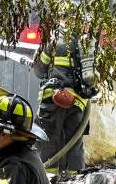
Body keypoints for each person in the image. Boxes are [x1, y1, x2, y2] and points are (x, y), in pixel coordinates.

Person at [32, 38, 97, 176]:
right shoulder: (86, 42)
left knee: (48, 141)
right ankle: (75, 182)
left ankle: (50, 182)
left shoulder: (53, 39)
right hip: (78, 103)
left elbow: (39, 71)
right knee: (75, 144)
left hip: (52, 101)